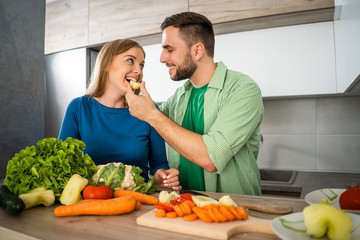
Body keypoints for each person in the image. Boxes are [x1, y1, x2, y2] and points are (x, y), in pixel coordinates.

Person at [125, 12, 264, 195]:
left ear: (197, 51)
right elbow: (144, 125)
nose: (162, 58)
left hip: (234, 209)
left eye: (170, 49)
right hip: (187, 207)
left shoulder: (243, 89)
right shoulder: (178, 97)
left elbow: (210, 159)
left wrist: (152, 114)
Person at [58, 39, 181, 190]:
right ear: (106, 64)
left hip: (138, 199)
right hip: (91, 199)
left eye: (141, 65)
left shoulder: (148, 110)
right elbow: (62, 162)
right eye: (130, 61)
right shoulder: (79, 108)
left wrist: (162, 177)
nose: (139, 71)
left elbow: (159, 165)